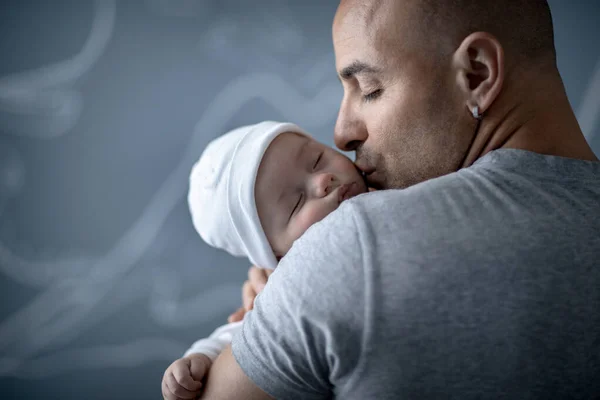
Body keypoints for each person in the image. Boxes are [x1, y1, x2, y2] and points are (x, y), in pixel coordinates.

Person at [194, 0, 600, 399]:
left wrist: (291, 295)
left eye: (369, 89)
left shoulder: (354, 245)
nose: (342, 132)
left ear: (477, 73)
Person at [161, 121, 367, 400]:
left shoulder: (389, 185)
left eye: (317, 159)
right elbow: (237, 331)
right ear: (275, 256)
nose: (323, 180)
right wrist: (202, 357)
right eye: (296, 203)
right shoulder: (280, 289)